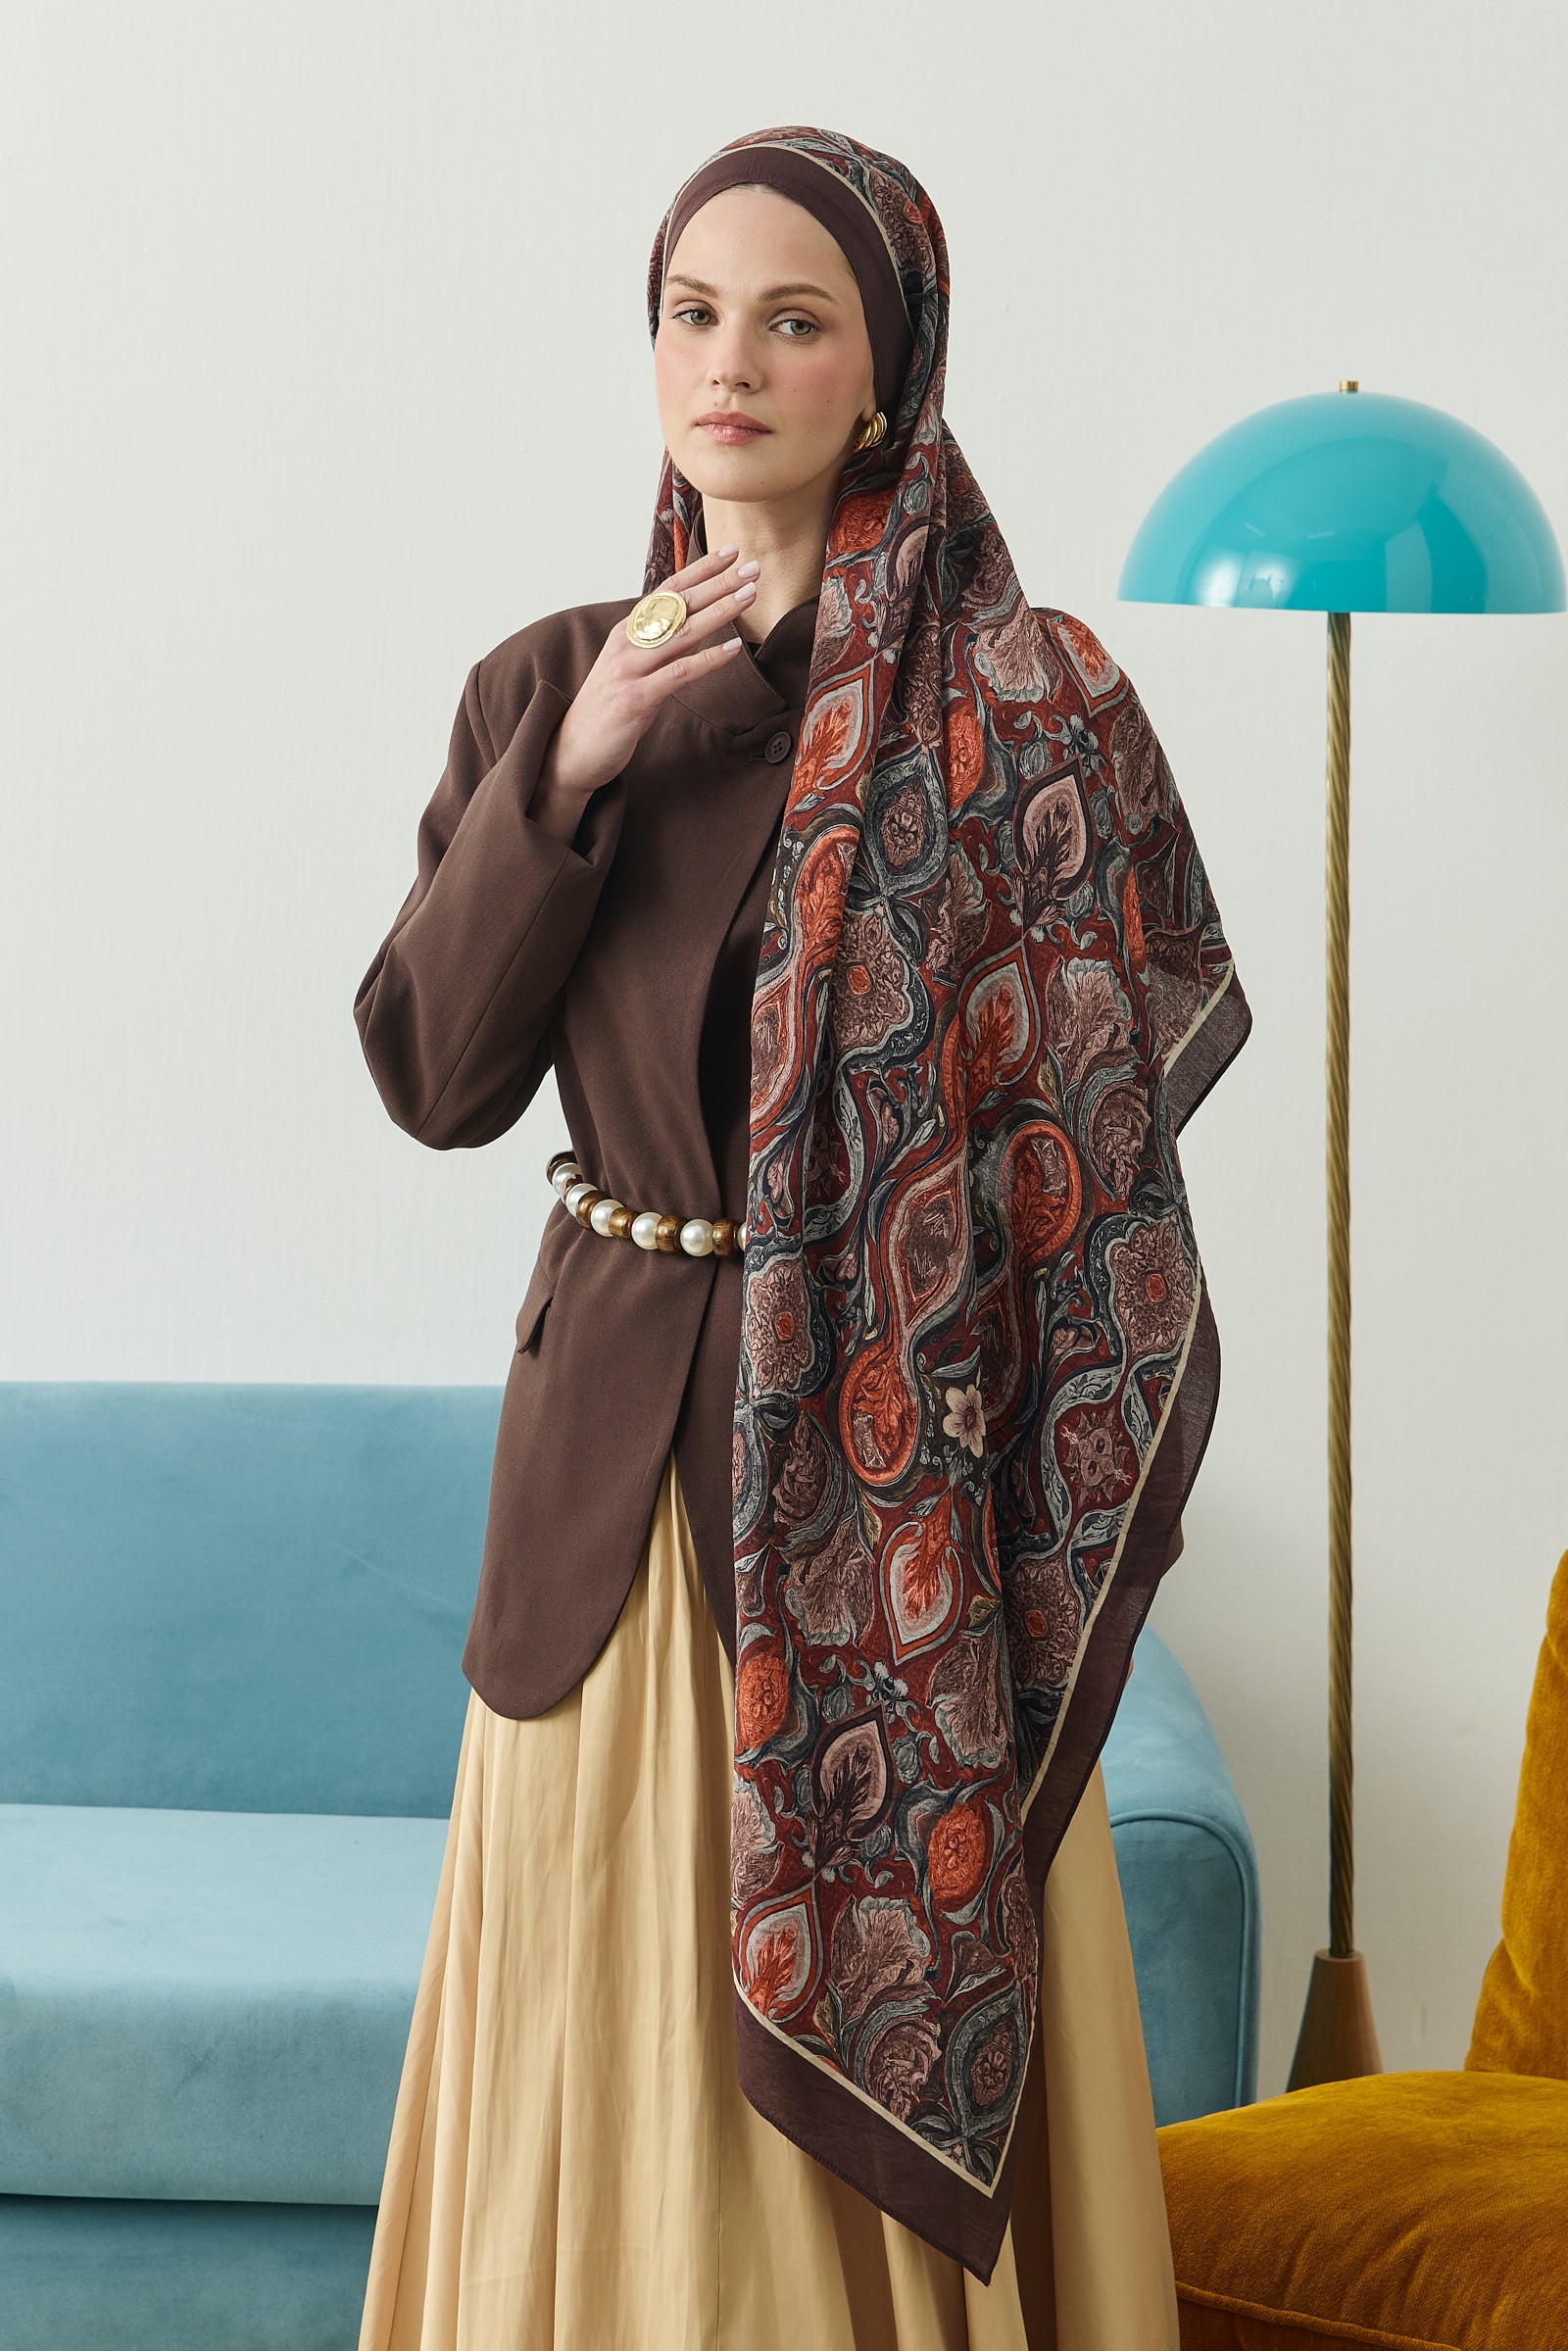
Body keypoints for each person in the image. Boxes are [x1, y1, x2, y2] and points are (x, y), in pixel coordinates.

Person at [353, 123, 1248, 2350]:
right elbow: (435, 1075)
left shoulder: (1024, 704)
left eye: (791, 320)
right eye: (690, 314)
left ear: (887, 373)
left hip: (892, 1496)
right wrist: (569, 774)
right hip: (605, 1484)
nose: (727, 364)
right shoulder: (543, 684)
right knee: (598, 2027)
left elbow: (1090, 1155)